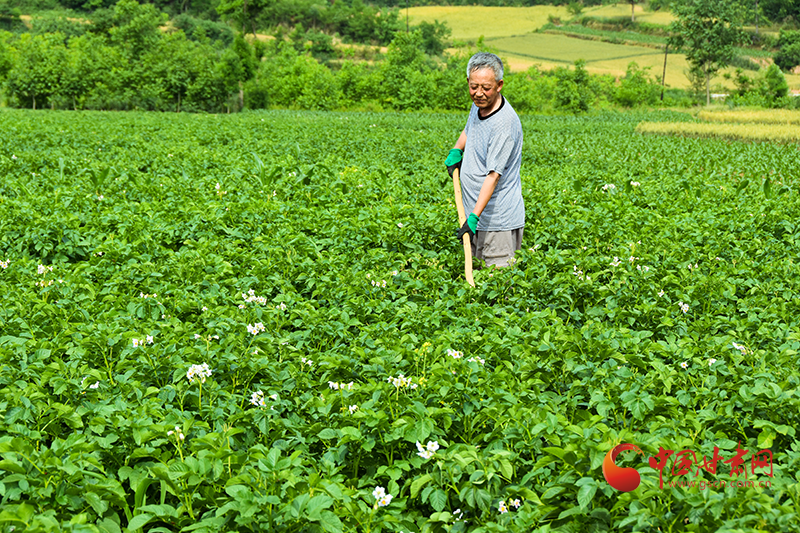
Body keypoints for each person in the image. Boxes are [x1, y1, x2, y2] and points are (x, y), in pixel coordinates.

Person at [446, 52, 524, 269]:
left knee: (495, 282)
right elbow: (470, 128)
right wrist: (456, 149)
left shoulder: (504, 125)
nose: (479, 93)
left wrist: (473, 217)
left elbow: (494, 176)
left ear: (499, 85)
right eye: (474, 86)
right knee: (476, 273)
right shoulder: (479, 104)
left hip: (496, 221)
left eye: (486, 88)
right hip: (476, 214)